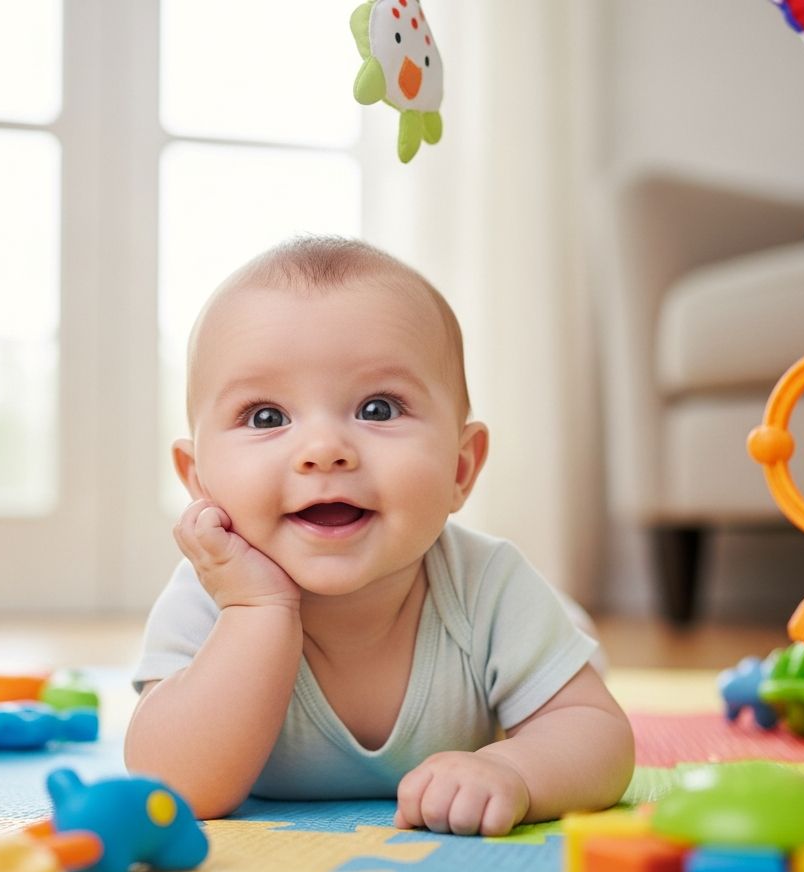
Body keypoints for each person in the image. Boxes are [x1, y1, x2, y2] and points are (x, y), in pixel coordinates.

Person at [125, 236, 634, 836]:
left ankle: (567, 634)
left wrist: (514, 770)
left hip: (516, 628)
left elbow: (598, 735)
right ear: (198, 479)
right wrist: (256, 611)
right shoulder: (205, 601)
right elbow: (170, 786)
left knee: (563, 651)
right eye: (266, 417)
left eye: (378, 409)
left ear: (460, 468)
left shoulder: (489, 587)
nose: (324, 450)